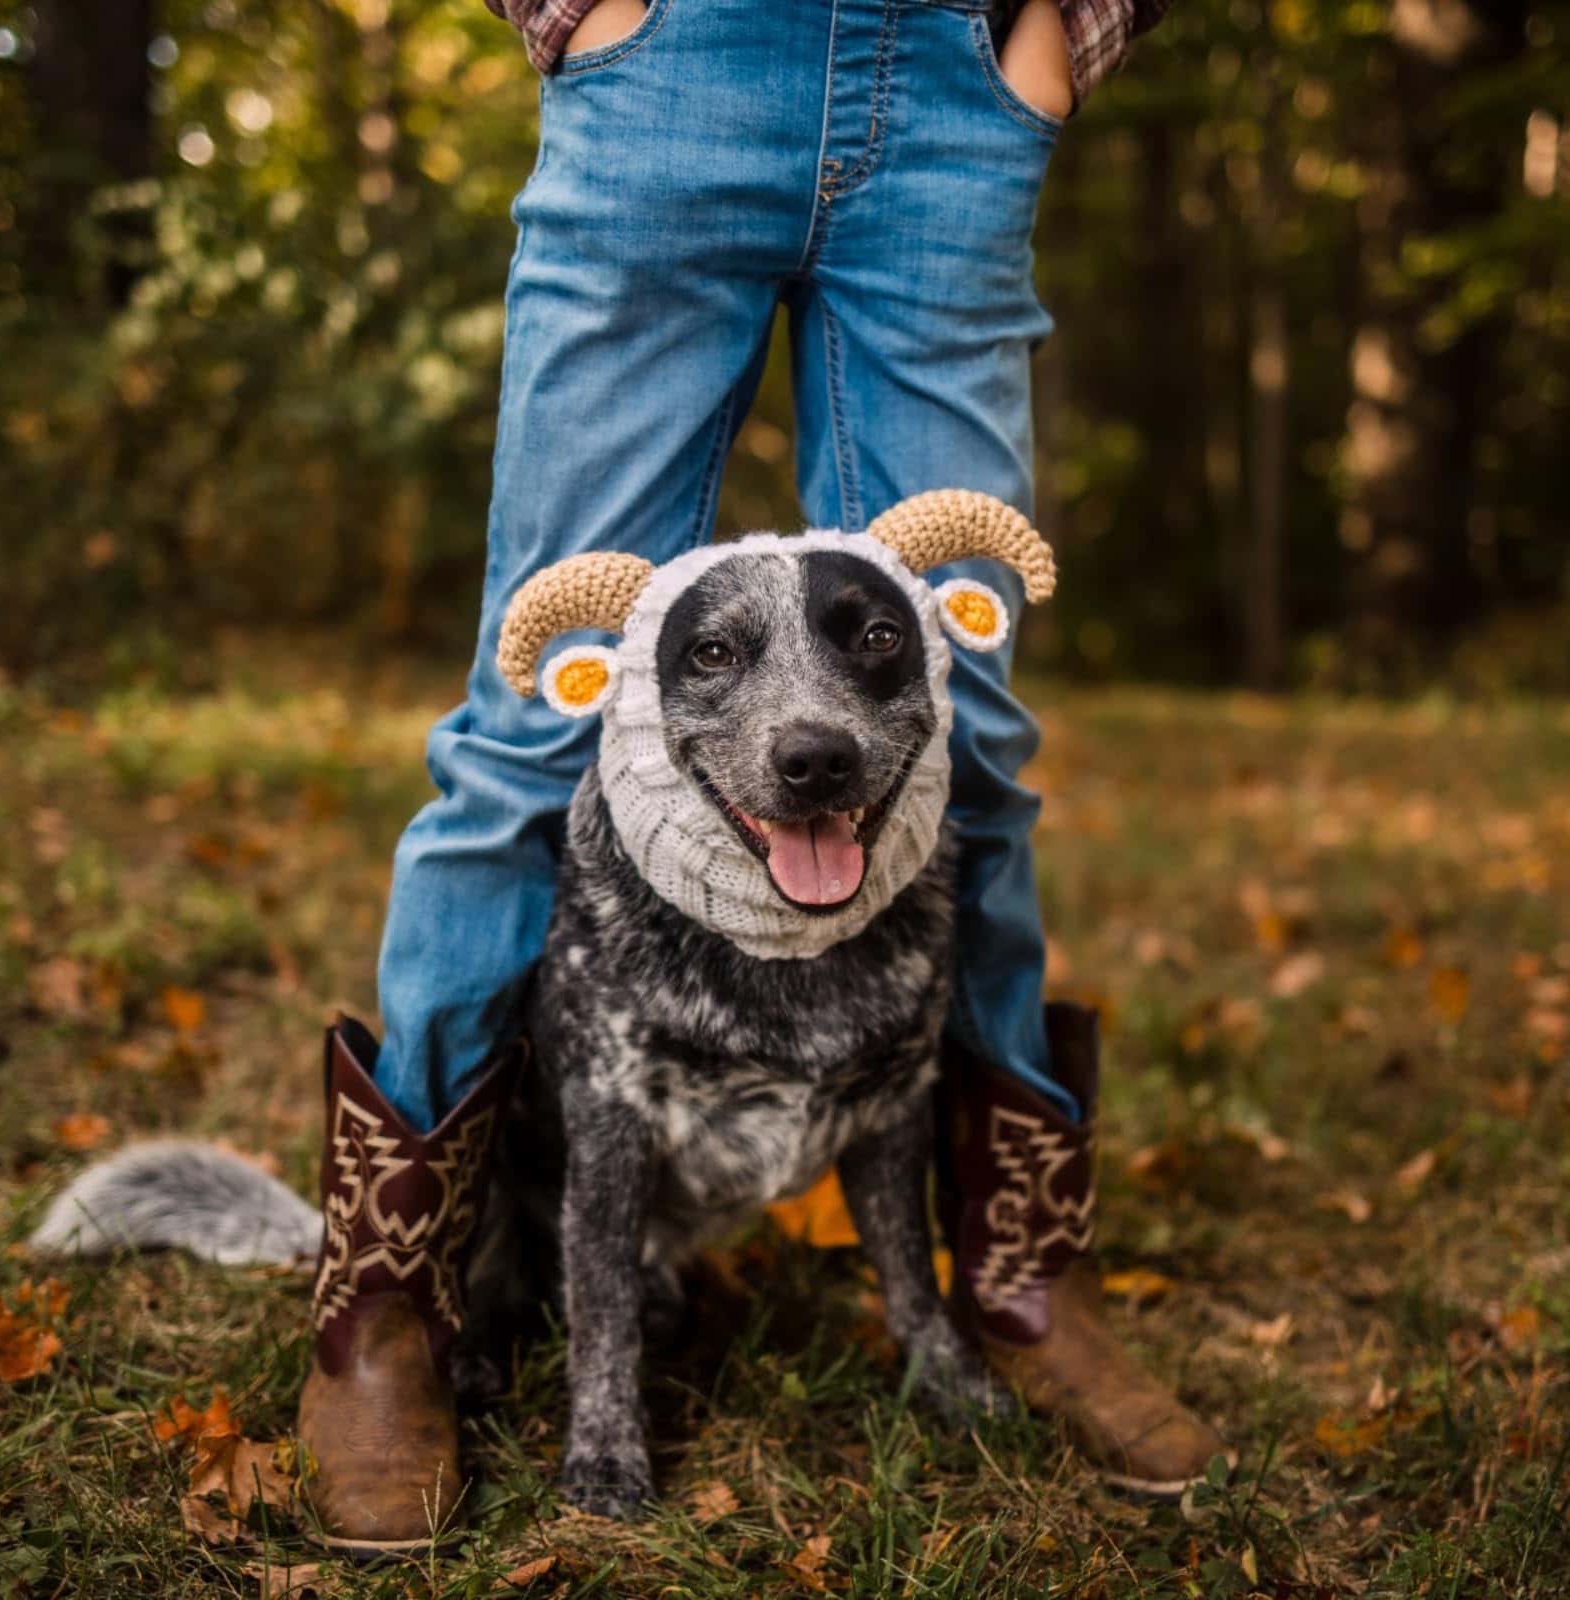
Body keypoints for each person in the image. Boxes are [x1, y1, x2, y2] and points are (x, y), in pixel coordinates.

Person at [292, 0, 1228, 1556]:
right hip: (670, 65)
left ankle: (1015, 1282)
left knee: (966, 733)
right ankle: (388, 1313)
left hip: (956, 92)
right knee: (531, 718)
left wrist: (1059, 43)